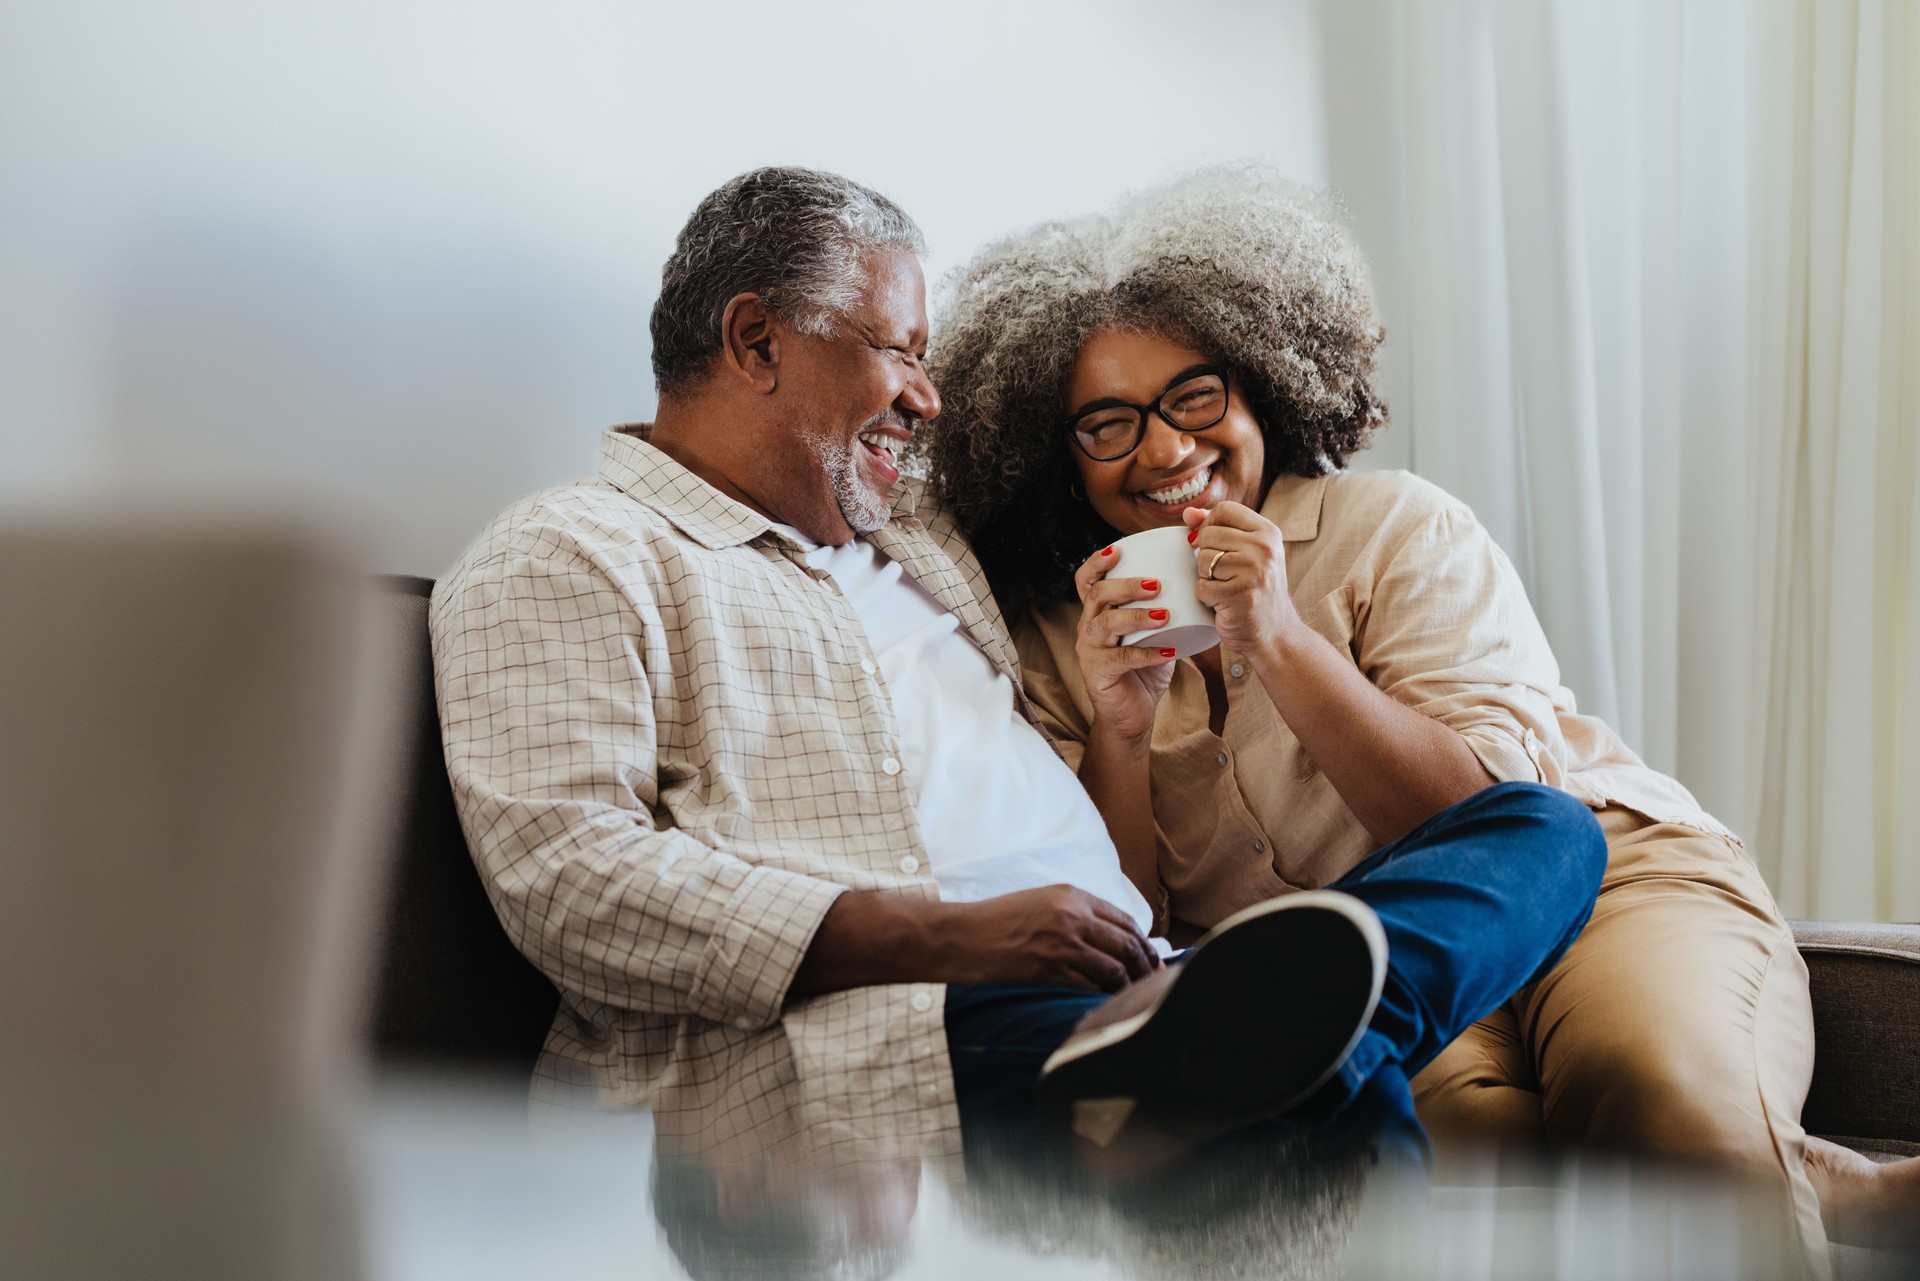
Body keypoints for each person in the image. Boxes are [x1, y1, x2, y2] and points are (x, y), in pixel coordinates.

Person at [430, 166, 1605, 1188]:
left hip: (1142, 975)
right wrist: (945, 940)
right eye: (897, 349)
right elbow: (567, 879)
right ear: (755, 343)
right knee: (1315, 1108)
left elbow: (1086, 852)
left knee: (1548, 832)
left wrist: (1122, 722)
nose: (927, 396)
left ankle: (1249, 1033)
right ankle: (1264, 1046)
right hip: (898, 1023)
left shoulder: (926, 549)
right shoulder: (570, 555)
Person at [920, 167, 1919, 1262]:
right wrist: (1118, 727)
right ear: (1060, 457)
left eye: (1195, 396)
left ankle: (1781, 1176)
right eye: (1106, 423)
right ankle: (1828, 1188)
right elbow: (1132, 930)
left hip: (1601, 885)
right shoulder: (1058, 640)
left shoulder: (1394, 527)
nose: (1163, 451)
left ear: (1261, 386)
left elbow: (1494, 821)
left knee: (1665, 1113)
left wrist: (1280, 640)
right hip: (1380, 972)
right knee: (1471, 1167)